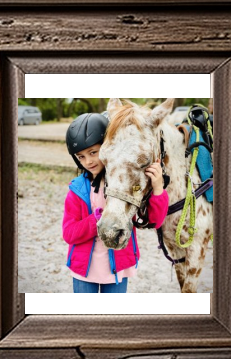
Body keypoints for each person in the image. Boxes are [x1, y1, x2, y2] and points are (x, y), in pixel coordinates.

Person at [63, 112, 169, 293]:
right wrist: (97, 219)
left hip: (117, 270)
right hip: (84, 271)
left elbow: (154, 220)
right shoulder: (77, 190)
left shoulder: (125, 185)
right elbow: (69, 234)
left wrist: (158, 189)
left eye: (93, 153)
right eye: (81, 157)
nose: (88, 161)